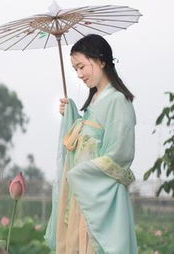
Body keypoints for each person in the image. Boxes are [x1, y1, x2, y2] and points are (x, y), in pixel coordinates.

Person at [44, 34, 138, 254]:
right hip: (82, 196)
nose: (78, 74)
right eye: (75, 69)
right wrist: (72, 116)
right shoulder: (95, 101)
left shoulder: (117, 100)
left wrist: (80, 174)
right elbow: (86, 142)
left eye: (82, 66)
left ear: (101, 60)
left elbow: (119, 155)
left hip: (98, 198)